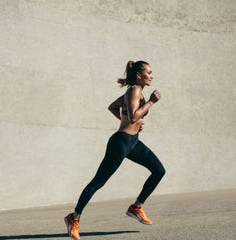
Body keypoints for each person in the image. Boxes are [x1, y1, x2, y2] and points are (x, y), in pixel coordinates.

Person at [64, 60, 166, 240]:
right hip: (121, 143)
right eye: (148, 73)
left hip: (133, 142)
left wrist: (127, 121)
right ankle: (74, 218)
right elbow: (135, 116)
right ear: (138, 75)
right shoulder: (135, 90)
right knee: (98, 182)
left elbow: (114, 108)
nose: (151, 76)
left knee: (159, 170)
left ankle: (136, 207)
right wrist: (150, 102)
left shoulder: (135, 92)